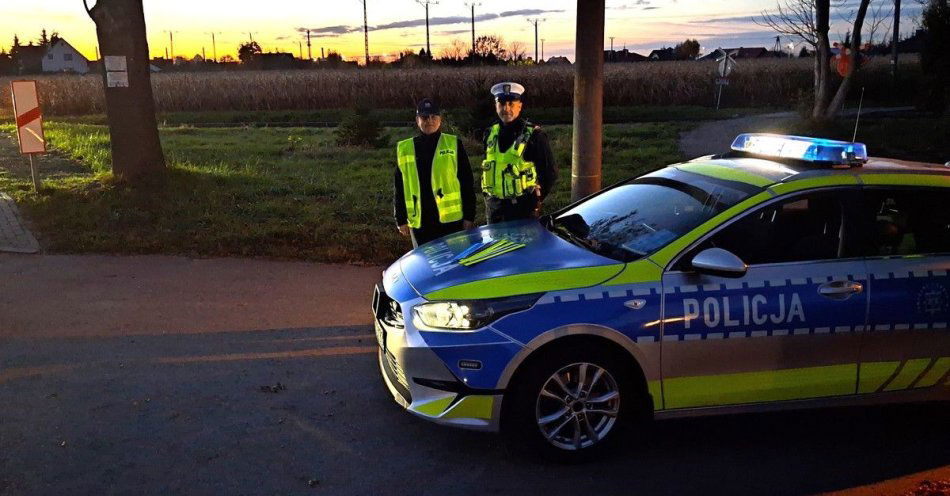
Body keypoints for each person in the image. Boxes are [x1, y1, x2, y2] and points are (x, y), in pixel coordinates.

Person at [394, 98, 476, 248]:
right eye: (424, 117)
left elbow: (467, 181)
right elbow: (400, 186)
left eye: (433, 117)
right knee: (427, 266)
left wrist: (469, 216)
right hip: (421, 222)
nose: (429, 121)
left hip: (451, 222)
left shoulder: (453, 144)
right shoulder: (405, 148)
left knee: (455, 263)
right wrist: (400, 218)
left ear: (440, 119)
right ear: (417, 120)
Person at [481, 82, 557, 224]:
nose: (506, 108)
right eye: (501, 103)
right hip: (494, 211)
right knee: (497, 246)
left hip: (522, 211)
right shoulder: (489, 134)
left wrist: (535, 200)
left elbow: (550, 173)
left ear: (520, 106)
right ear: (495, 105)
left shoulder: (534, 135)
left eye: (511, 103)